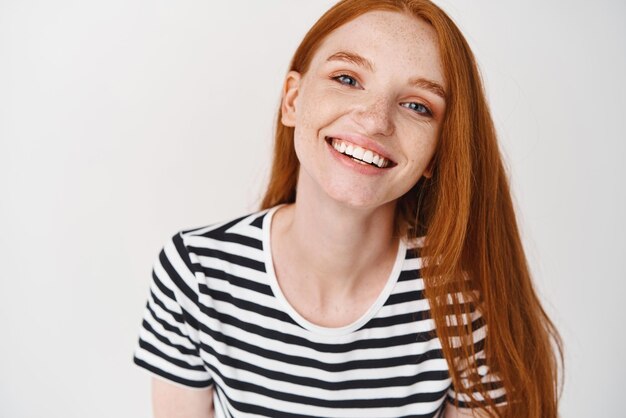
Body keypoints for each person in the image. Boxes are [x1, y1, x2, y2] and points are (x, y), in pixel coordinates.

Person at [132, 0, 563, 417]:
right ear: (293, 101)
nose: (376, 119)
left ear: (436, 153)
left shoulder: (468, 302)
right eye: (347, 78)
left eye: (417, 106)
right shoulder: (195, 272)